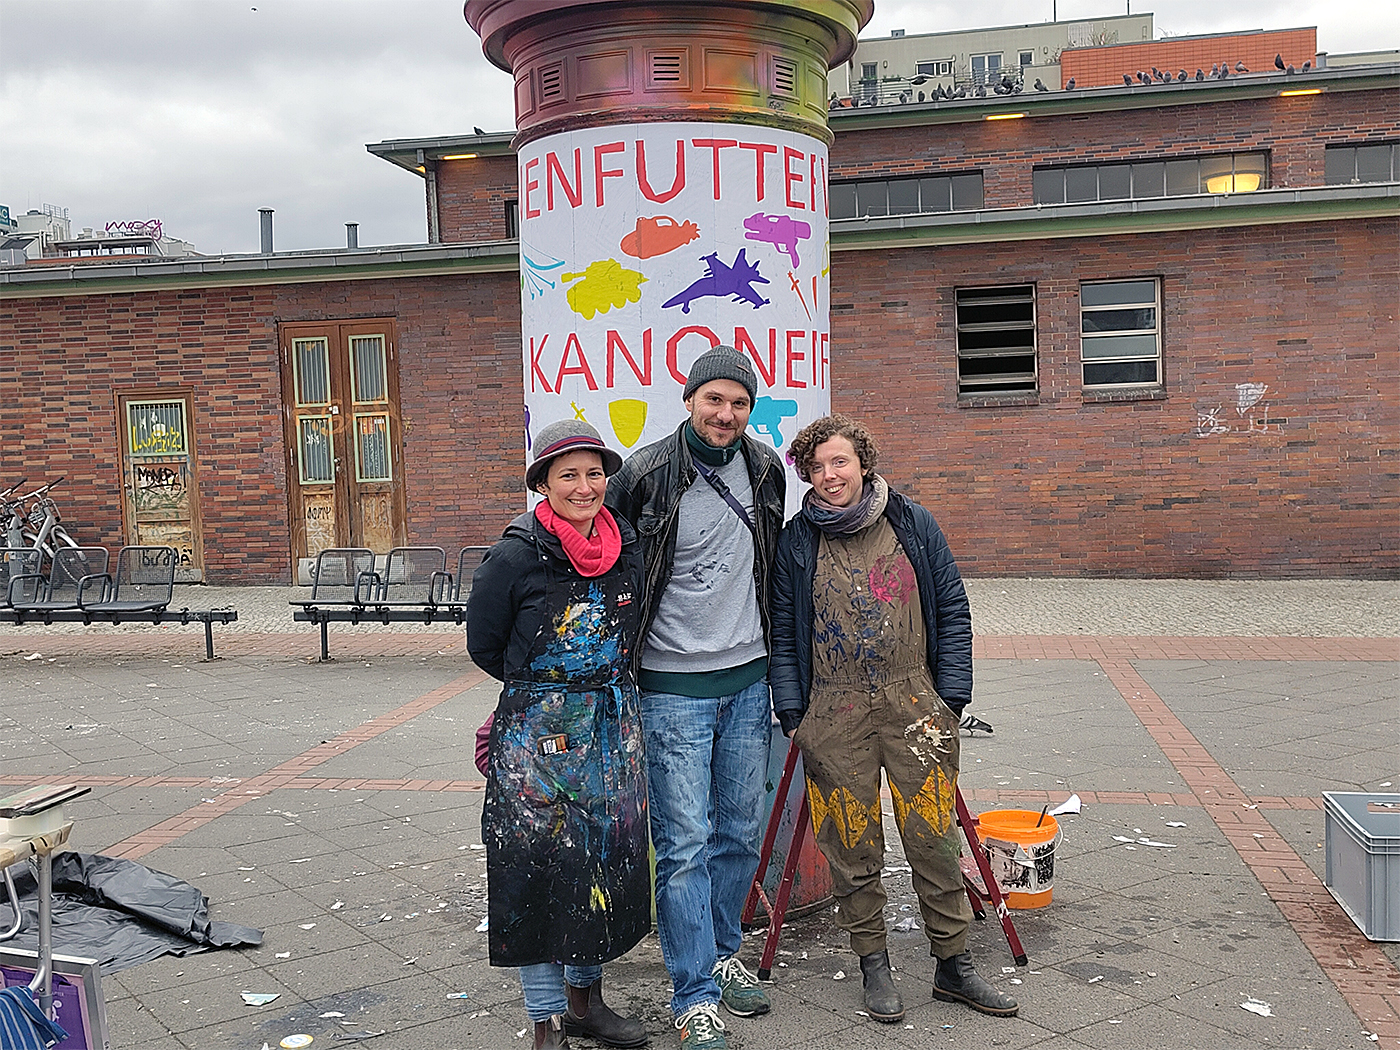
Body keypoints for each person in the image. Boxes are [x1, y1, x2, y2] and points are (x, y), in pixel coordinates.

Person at [769, 414, 1018, 1024]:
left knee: (933, 836)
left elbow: (952, 607)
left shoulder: (910, 521)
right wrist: (794, 712)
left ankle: (953, 966)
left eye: (840, 463)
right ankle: (873, 964)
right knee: (852, 843)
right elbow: (782, 630)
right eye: (818, 467)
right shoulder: (797, 541)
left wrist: (951, 696)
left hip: (915, 705)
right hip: (832, 710)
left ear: (864, 464)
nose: (830, 476)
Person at [604, 345, 785, 1050]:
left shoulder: (765, 468)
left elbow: (772, 564)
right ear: (688, 400)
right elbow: (606, 564)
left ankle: (723, 950)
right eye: (715, 400)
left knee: (739, 834)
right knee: (684, 846)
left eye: (739, 403)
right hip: (671, 686)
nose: (726, 414)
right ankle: (693, 995)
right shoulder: (644, 475)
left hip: (748, 679)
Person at [467, 419, 652, 1050]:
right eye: (567, 474)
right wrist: (549, 698)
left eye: (594, 473)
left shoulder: (626, 545)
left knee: (601, 864)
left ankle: (586, 1003)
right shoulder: (515, 555)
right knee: (536, 871)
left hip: (610, 733)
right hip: (538, 740)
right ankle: (545, 1022)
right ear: (543, 483)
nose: (584, 486)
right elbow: (486, 645)